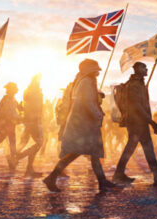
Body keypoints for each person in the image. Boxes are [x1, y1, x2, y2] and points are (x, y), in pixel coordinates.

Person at [43, 59, 113, 192]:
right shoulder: (86, 82)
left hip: (86, 123)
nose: (97, 72)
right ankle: (51, 177)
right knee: (76, 153)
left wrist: (97, 96)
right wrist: (98, 115)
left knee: (94, 153)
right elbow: (88, 102)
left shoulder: (86, 82)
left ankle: (102, 181)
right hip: (84, 124)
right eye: (95, 70)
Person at [113, 62, 157, 184]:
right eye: (144, 67)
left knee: (144, 147)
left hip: (139, 121)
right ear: (137, 69)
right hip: (136, 122)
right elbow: (136, 106)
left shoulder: (139, 84)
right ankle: (119, 174)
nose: (146, 69)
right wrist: (151, 122)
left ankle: (156, 172)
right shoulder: (134, 85)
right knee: (135, 147)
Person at [17, 75, 46, 177]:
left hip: (30, 120)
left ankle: (29, 169)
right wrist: (36, 118)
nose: (40, 81)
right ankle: (19, 156)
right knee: (39, 143)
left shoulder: (29, 91)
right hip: (33, 121)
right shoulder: (35, 92)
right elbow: (35, 107)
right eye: (39, 80)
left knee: (26, 141)